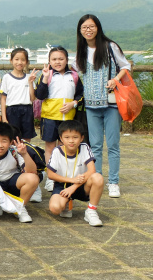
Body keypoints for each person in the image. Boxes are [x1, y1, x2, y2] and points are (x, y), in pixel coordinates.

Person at [76, 14, 131, 198]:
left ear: (98, 28)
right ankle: (97, 179)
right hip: (91, 105)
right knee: (96, 146)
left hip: (111, 104)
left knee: (113, 145)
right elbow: (75, 71)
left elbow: (126, 67)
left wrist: (115, 79)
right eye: (84, 27)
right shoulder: (81, 51)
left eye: (91, 26)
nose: (88, 30)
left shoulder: (110, 47)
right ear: (80, 31)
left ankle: (113, 182)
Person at [35, 46, 84, 192]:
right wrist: (44, 78)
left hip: (68, 119)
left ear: (67, 60)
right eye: (54, 59)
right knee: (50, 148)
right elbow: (40, 95)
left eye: (61, 59)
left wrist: (73, 104)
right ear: (49, 61)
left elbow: (80, 94)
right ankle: (51, 178)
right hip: (49, 117)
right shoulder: (47, 75)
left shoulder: (74, 76)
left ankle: (64, 176)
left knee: (66, 148)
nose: (58, 62)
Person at [0, 122, 40, 223]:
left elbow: (32, 171)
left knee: (33, 178)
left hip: (12, 182)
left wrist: (25, 154)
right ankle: (1, 204)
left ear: (10, 142)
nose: (0, 145)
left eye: (4, 141)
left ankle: (20, 208)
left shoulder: (14, 151)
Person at [47, 120, 104, 226]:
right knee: (55, 208)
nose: (71, 141)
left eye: (75, 137)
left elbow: (92, 170)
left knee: (98, 177)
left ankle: (91, 211)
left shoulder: (85, 147)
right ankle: (67, 202)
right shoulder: (56, 151)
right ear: (61, 138)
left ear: (82, 138)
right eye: (67, 137)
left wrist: (74, 186)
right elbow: (50, 174)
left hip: (82, 184)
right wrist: (71, 180)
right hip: (63, 185)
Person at [0, 48, 38, 141]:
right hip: (11, 111)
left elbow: (33, 98)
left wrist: (30, 83)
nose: (19, 62)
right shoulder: (6, 77)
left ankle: (26, 151)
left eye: (23, 60)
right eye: (16, 59)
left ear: (27, 62)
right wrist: (4, 117)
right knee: (12, 137)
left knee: (26, 138)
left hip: (27, 110)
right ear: (11, 60)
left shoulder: (29, 77)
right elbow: (3, 98)